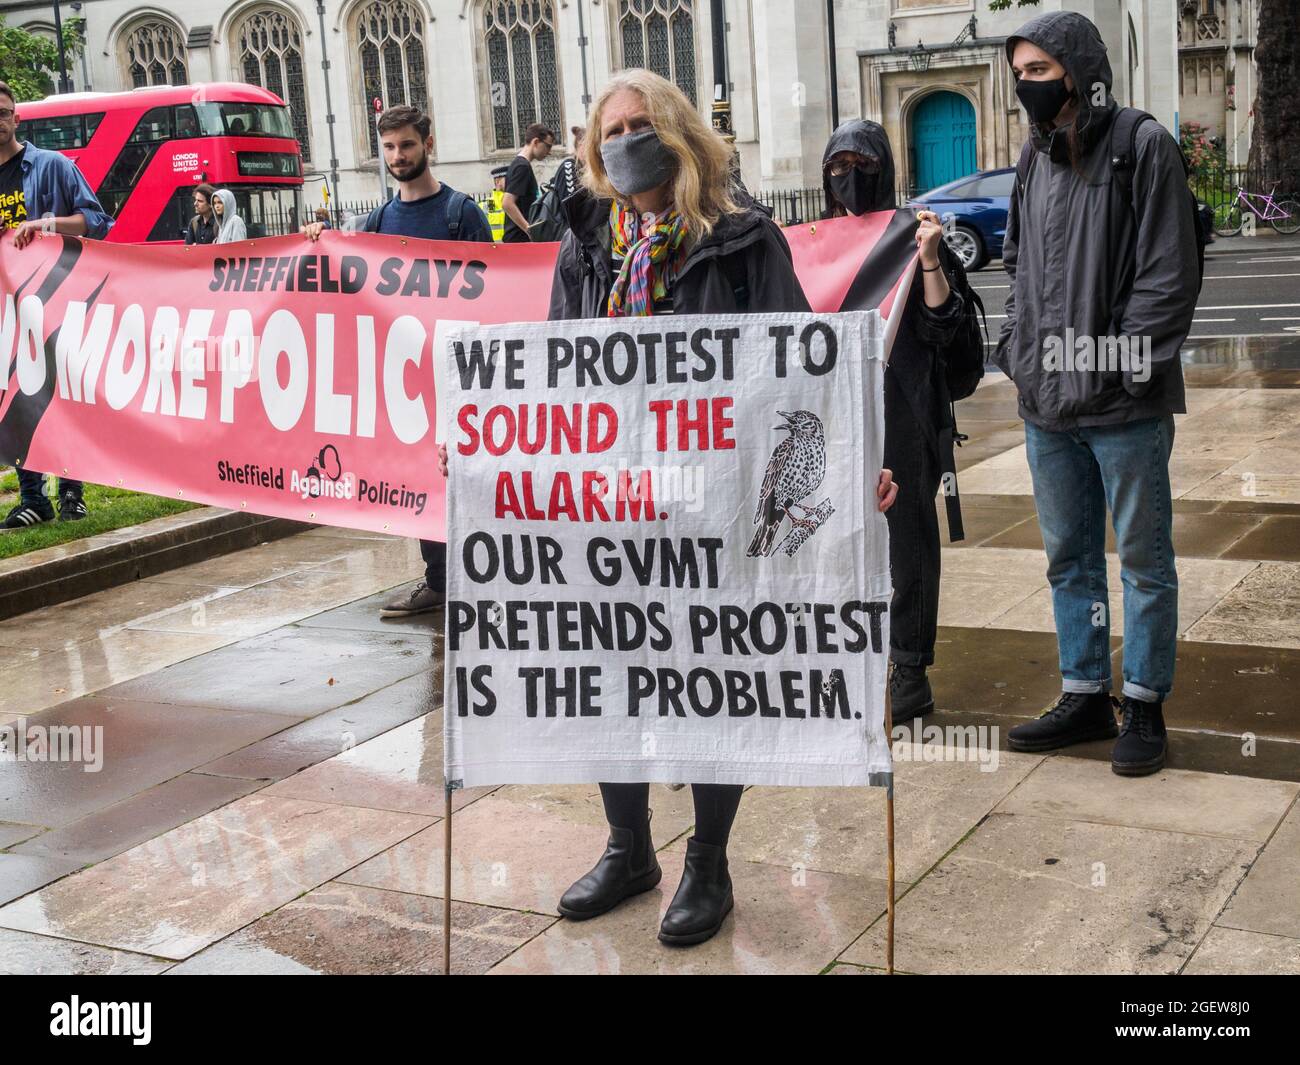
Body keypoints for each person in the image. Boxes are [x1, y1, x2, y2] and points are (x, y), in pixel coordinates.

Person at [541, 68, 899, 947]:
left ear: (677, 134)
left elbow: (800, 378)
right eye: (609, 128)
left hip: (711, 500)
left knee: (710, 673)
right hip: (610, 497)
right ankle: (629, 847)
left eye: (640, 124)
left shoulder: (742, 241)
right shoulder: (585, 238)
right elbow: (549, 368)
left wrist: (853, 467)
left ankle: (708, 862)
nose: (623, 141)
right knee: (608, 675)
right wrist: (488, 444)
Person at [996, 12, 1199, 776]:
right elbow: (1016, 263)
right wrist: (1023, 351)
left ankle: (1143, 702)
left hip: (1123, 405)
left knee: (1143, 560)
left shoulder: (1142, 146)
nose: (1027, 86)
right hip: (1047, 404)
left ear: (1078, 70)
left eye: (1040, 71)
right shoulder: (1034, 155)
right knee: (1068, 558)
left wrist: (1113, 367)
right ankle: (1084, 691)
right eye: (1019, 73)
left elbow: (1167, 277)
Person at [304, 103, 492, 619]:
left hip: (458, 370)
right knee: (418, 477)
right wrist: (321, 242)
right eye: (388, 147)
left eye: (407, 145)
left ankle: (480, 575)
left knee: (467, 475)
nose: (397, 155)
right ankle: (437, 580)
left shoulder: (462, 213)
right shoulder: (377, 220)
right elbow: (349, 281)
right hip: (405, 374)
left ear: (427, 144)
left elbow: (494, 289)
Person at [821, 120, 981, 721]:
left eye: (863, 164)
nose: (850, 177)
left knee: (908, 541)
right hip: (836, 414)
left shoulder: (910, 233)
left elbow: (945, 330)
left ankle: (910, 667)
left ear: (885, 167)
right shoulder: (819, 242)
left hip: (905, 410)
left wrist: (931, 260)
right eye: (838, 166)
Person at [0, 80, 113, 529]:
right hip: (5, 311)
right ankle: (33, 498)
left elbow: (97, 221)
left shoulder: (51, 166)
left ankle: (72, 491)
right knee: (13, 398)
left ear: (16, 117)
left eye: (2, 111)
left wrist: (48, 224)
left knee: (60, 394)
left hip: (53, 302)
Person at [501, 123, 554, 243]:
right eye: (548, 146)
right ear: (535, 142)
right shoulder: (522, 167)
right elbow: (507, 203)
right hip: (518, 240)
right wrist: (529, 230)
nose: (549, 152)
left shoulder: (520, 164)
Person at [486, 165, 507, 242]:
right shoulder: (487, 205)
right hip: (494, 252)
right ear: (498, 182)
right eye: (509, 179)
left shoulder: (518, 203)